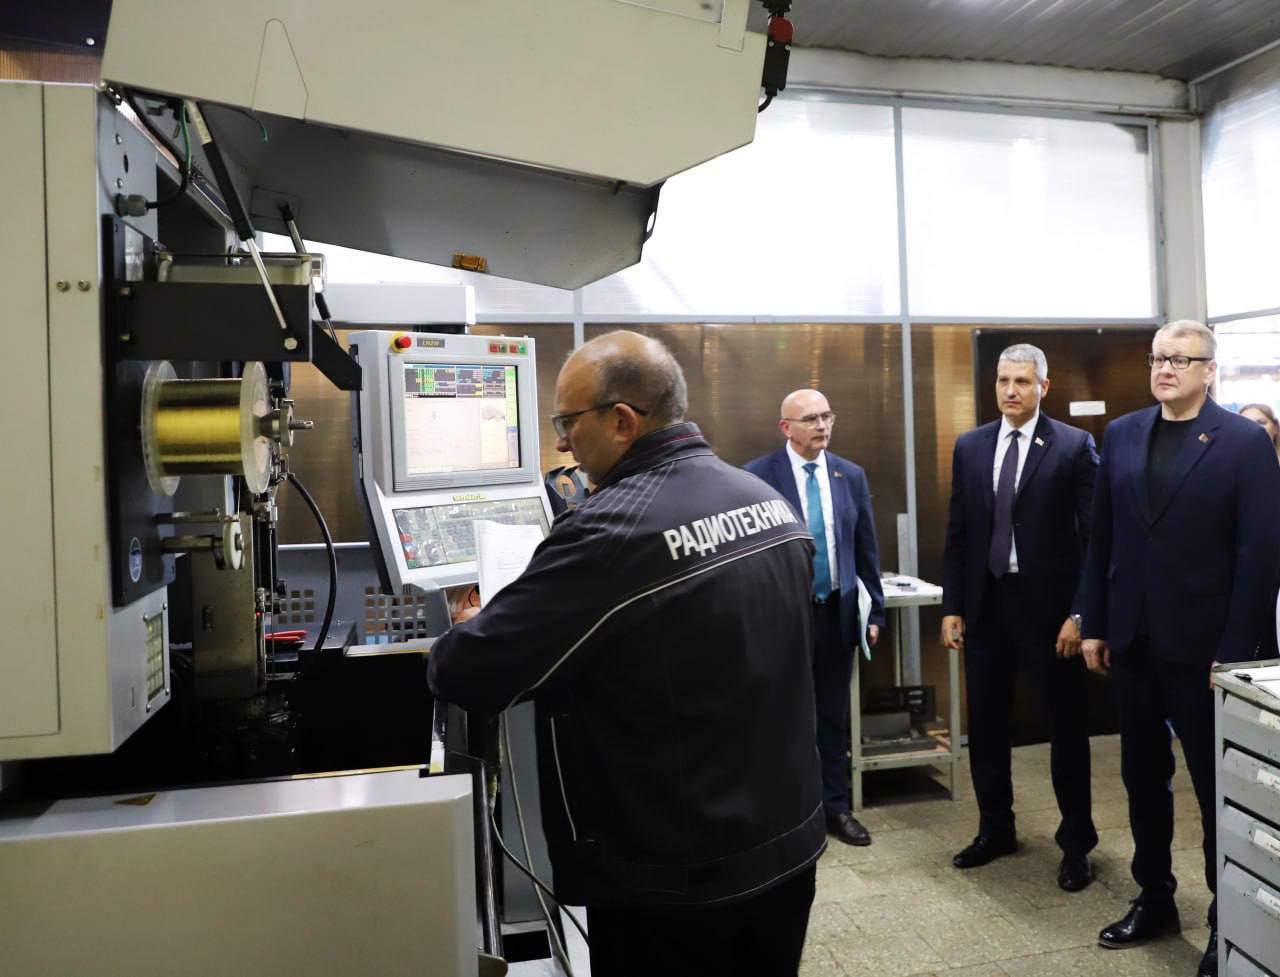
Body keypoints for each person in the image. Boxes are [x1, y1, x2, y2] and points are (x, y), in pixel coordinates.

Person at [428, 331, 826, 977]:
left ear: (621, 420)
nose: (562, 444)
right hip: (787, 845)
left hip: (674, 882)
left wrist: (468, 623)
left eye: (567, 422)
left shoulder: (609, 529)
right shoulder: (766, 500)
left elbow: (466, 672)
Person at [1080, 320, 1280, 977]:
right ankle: (1155, 897)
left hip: (1206, 652)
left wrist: (1236, 651)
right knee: (1142, 779)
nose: (1165, 369)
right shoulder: (1124, 432)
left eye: (1180, 359)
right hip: (1134, 640)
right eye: (1158, 358)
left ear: (1209, 369)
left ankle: (1229, 922)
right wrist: (1094, 621)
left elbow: (1259, 554)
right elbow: (1102, 538)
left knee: (1216, 787)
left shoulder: (1244, 442)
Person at [940, 344, 1099, 891]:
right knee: (986, 725)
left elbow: (1095, 539)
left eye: (1023, 382)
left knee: (1065, 728)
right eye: (1004, 381)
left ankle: (1076, 844)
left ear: (1043, 387)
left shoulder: (1073, 446)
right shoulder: (971, 445)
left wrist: (1081, 613)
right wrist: (954, 605)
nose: (1011, 391)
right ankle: (995, 829)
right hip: (987, 606)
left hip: (1050, 614)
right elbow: (959, 531)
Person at [744, 389, 886, 847]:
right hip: (785, 619)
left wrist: (874, 609)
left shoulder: (849, 475)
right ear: (786, 427)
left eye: (827, 416)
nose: (822, 425)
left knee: (832, 717)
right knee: (784, 717)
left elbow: (865, 548)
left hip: (836, 615)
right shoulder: (757, 476)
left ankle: (836, 808)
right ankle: (788, 813)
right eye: (810, 419)